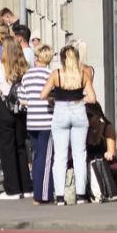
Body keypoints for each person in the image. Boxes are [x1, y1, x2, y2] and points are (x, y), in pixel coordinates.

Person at [40, 44, 96, 205]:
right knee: (80, 154)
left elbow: (42, 95)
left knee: (60, 156)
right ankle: (81, 195)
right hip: (79, 112)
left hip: (60, 111)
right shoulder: (83, 75)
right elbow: (92, 98)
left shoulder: (56, 74)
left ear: (63, 59)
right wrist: (80, 99)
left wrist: (54, 98)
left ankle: (59, 196)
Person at [0, 36, 33, 199]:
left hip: (4, 107)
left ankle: (12, 188)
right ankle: (26, 187)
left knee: (7, 148)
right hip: (21, 108)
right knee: (21, 146)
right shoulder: (25, 67)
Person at [19, 44, 56, 204]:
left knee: (37, 156)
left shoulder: (27, 75)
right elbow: (54, 97)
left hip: (32, 120)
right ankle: (43, 194)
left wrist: (31, 103)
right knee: (46, 158)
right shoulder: (50, 74)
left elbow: (22, 97)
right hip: (47, 120)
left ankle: (38, 191)